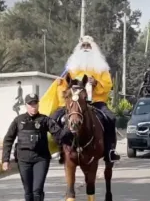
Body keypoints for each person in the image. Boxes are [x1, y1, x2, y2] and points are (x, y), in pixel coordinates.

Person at [39, 35, 120, 163]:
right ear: (79, 49)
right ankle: (60, 149)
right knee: (54, 119)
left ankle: (110, 150)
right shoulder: (71, 68)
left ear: (94, 48)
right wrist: (64, 88)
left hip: (95, 102)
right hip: (73, 103)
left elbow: (108, 85)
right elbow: (63, 86)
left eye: (89, 46)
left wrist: (96, 83)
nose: (86, 48)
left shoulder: (102, 68)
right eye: (83, 46)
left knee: (110, 118)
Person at [2, 94, 72, 201]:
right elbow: (8, 139)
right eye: (30, 104)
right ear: (26, 105)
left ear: (38, 105)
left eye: (35, 104)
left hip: (41, 159)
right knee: (28, 191)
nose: (33, 106)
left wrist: (71, 132)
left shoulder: (44, 119)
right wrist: (5, 160)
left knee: (37, 190)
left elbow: (58, 133)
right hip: (24, 160)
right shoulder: (19, 120)